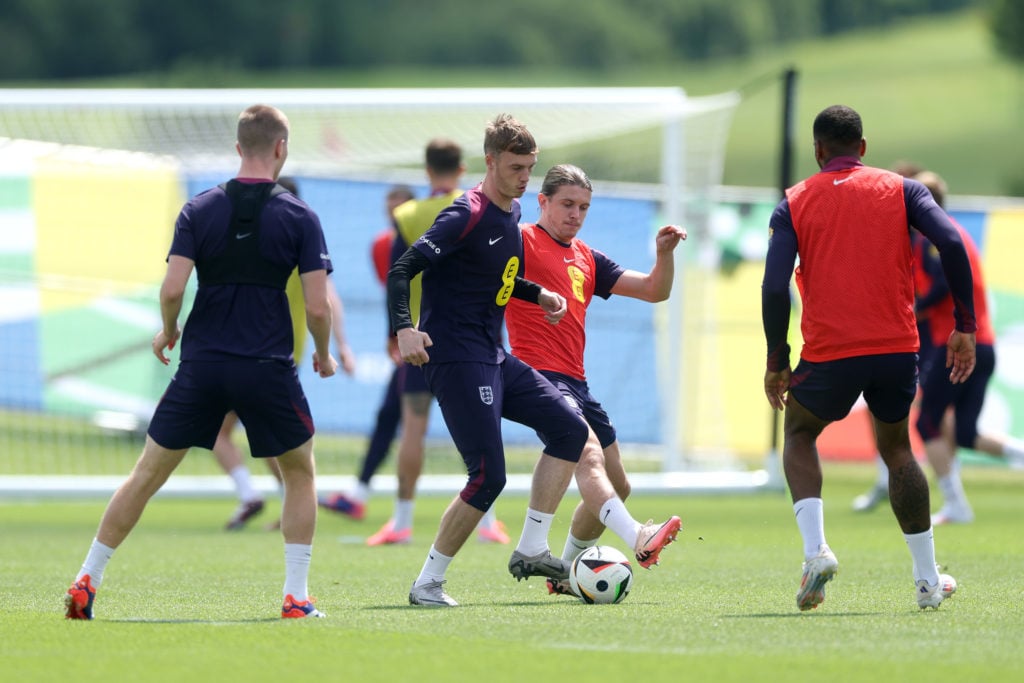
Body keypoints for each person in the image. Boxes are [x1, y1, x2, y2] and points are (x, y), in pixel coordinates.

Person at [389, 115, 680, 607]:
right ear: (490, 161)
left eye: (529, 167)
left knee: (569, 429)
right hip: (458, 358)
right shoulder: (467, 212)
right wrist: (404, 328)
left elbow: (489, 276)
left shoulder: (510, 214)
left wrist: (535, 292)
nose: (524, 176)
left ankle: (531, 548)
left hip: (494, 357)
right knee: (488, 477)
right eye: (516, 167)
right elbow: (405, 268)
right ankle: (427, 583)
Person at [64, 104, 339, 620]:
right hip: (265, 365)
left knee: (146, 473)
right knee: (300, 472)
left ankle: (87, 577)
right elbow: (319, 305)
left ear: (239, 148)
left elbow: (172, 289)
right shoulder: (301, 216)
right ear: (281, 147)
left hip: (203, 364)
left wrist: (168, 331)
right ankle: (296, 597)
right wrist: (323, 354)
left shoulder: (197, 208)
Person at [761, 104, 977, 612]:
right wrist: (963, 327)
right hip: (896, 348)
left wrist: (777, 358)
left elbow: (774, 285)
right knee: (898, 450)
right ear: (863, 147)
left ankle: (816, 552)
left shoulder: (793, 202)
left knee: (798, 433)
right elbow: (950, 242)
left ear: (818, 151)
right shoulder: (902, 189)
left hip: (830, 352)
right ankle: (927, 582)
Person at [504, 164, 685, 596]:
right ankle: (638, 537)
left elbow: (653, 291)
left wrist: (664, 255)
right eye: (567, 204)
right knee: (585, 453)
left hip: (577, 381)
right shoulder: (521, 241)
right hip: (537, 374)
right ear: (542, 201)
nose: (575, 214)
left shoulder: (586, 256)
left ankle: (564, 572)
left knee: (619, 483)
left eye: (583, 207)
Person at [322, 142, 509, 545]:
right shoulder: (477, 206)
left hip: (419, 338)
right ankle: (490, 524)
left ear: (427, 171)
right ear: (462, 169)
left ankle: (402, 522)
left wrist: (395, 332)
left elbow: (398, 274)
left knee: (412, 429)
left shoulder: (405, 216)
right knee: (482, 428)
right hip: (473, 338)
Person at [857, 171, 1024, 524]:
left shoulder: (935, 238)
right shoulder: (952, 233)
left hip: (956, 344)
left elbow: (942, 284)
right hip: (982, 344)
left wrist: (911, 310)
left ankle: (956, 504)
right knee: (963, 432)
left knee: (928, 422)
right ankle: (978, 483)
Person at [218, 176, 356, 532]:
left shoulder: (265, 240)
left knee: (223, 432)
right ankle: (288, 501)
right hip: (284, 352)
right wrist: (340, 346)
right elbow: (327, 299)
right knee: (268, 437)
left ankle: (255, 495)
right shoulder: (304, 240)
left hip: (248, 350)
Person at [317, 185, 414, 522]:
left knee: (462, 421)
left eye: (399, 209)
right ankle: (360, 494)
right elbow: (394, 291)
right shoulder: (382, 246)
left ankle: (484, 513)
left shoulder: (435, 237)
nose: (392, 215)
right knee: (390, 415)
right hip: (411, 342)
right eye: (389, 209)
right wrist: (396, 335)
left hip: (435, 340)